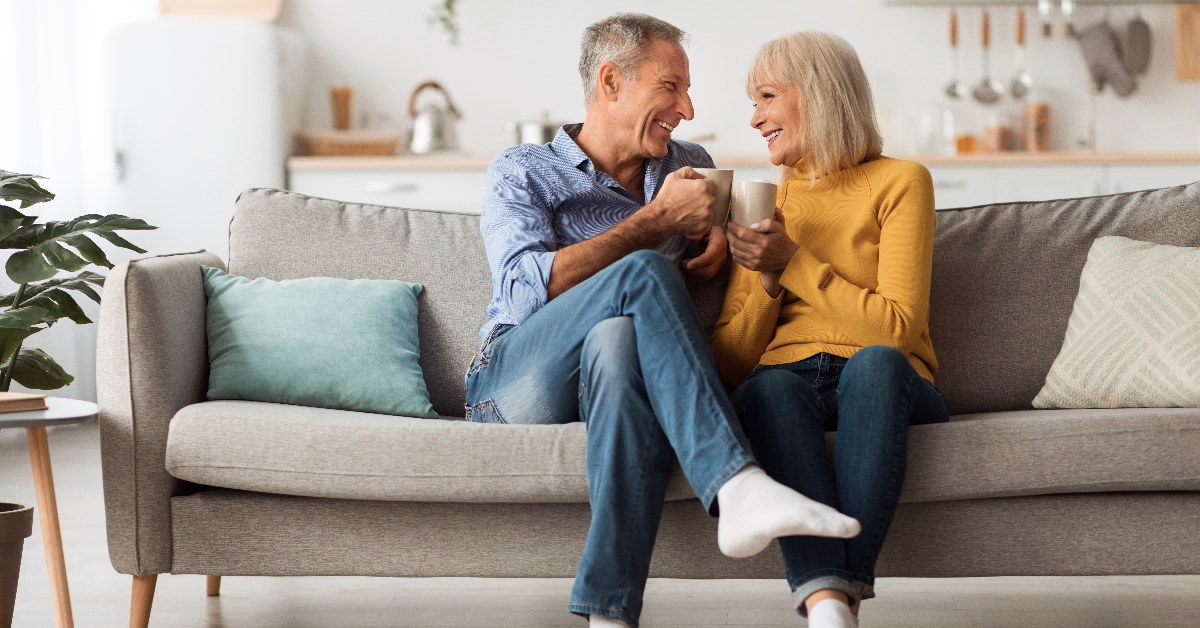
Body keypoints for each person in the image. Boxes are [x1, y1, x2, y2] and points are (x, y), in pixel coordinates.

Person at [466, 14, 860, 628]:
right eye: (670, 87)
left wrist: (723, 245)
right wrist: (654, 224)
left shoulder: (690, 164)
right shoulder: (523, 169)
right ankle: (735, 483)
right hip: (514, 381)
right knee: (645, 271)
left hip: (612, 383)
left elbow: (723, 264)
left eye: (688, 90)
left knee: (618, 339)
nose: (687, 108)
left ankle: (609, 613)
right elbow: (522, 294)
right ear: (610, 82)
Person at [711, 32, 951, 628]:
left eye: (767, 96)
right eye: (752, 102)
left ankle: (843, 594)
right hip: (788, 378)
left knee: (875, 363)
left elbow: (895, 332)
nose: (754, 118)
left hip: (886, 378)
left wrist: (793, 262)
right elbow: (730, 364)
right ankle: (828, 608)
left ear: (818, 94)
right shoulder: (763, 200)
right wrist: (769, 283)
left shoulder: (901, 181)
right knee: (768, 387)